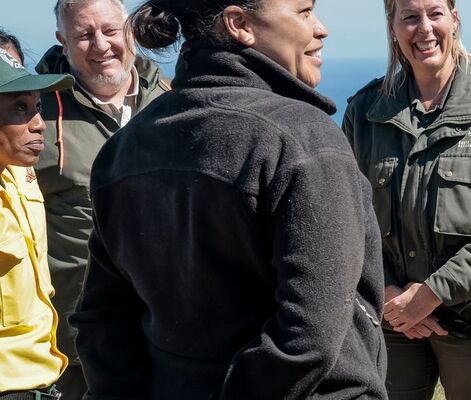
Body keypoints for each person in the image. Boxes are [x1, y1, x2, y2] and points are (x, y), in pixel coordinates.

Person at [69, 0, 387, 398]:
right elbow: (308, 338)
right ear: (239, 24)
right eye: (304, 12)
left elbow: (105, 320)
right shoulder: (303, 140)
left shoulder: (124, 149)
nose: (320, 28)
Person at [342, 0, 471, 398]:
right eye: (410, 17)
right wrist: (384, 293)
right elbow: (348, 217)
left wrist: (433, 292)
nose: (424, 29)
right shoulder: (364, 112)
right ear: (392, 26)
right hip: (393, 320)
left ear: (455, 18)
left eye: (435, 13)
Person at [34, 2, 171, 397]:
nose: (101, 45)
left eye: (111, 31)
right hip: (74, 344)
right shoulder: (32, 113)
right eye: (83, 35)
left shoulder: (173, 101)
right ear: (62, 41)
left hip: (169, 333)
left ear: (131, 30)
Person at [0, 44, 74, 400]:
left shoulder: (16, 174)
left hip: (42, 381)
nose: (39, 124)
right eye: (19, 108)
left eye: (37, 107)